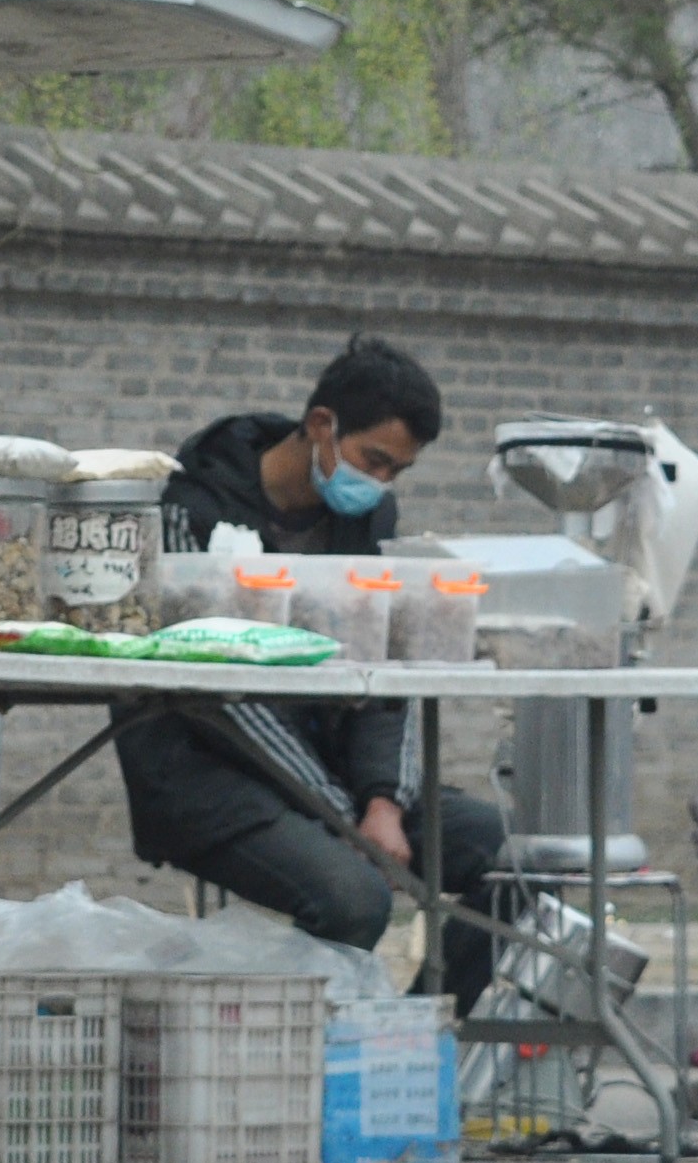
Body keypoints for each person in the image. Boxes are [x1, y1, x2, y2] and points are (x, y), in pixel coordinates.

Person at [115, 336, 513, 1003]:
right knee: (354, 899)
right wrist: (339, 815)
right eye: (373, 461)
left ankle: (418, 1040)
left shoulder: (367, 519)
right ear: (322, 425)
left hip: (337, 779)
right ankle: (311, 1070)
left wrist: (384, 801)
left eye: (396, 472)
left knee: (516, 861)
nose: (380, 484)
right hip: (204, 775)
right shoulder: (191, 508)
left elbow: (384, 665)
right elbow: (215, 689)